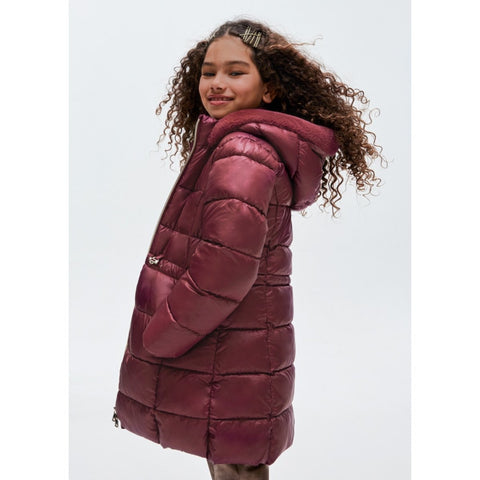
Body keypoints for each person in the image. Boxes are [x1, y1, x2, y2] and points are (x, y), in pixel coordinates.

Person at [112, 19, 384, 480]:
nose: (217, 83)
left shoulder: (243, 151)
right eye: (208, 72)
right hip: (236, 339)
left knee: (236, 462)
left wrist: (163, 332)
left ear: (270, 88)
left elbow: (224, 268)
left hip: (227, 339)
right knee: (231, 453)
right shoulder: (236, 143)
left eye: (236, 72)